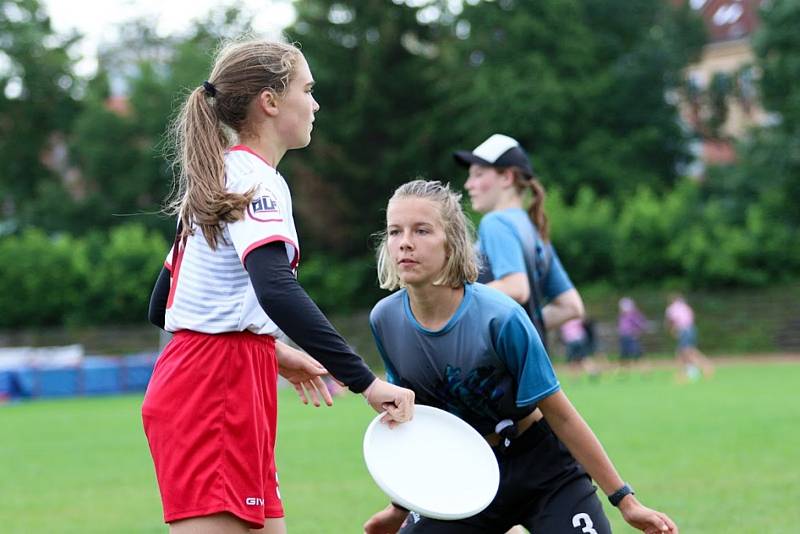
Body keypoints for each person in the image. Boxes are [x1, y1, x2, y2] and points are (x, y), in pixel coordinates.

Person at [141, 39, 414, 534]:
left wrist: (270, 351)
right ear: (270, 101)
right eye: (307, 90)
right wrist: (365, 382)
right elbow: (277, 291)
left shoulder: (220, 177)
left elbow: (164, 305)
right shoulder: (255, 182)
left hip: (225, 378)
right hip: (213, 389)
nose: (315, 103)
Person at [363, 180, 678, 534]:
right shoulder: (385, 320)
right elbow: (417, 423)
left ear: (452, 242)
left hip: (542, 467)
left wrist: (625, 500)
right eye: (394, 231)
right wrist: (400, 508)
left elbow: (561, 415)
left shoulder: (501, 316)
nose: (405, 242)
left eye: (422, 230)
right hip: (462, 471)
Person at [454, 133, 584, 346]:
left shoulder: (496, 222)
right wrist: (520, 333)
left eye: (478, 174)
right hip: (527, 369)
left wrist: (453, 298)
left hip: (498, 374)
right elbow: (571, 307)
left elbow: (516, 287)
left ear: (507, 177)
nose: (468, 184)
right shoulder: (535, 230)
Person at [664, 293, 714, 381]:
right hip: (691, 329)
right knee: (687, 351)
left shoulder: (672, 308)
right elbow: (691, 318)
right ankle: (692, 371)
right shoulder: (686, 306)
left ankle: (704, 367)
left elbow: (671, 321)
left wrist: (673, 330)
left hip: (683, 330)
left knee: (685, 351)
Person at [618, 297, 648, 370]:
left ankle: (642, 368)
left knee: (636, 353)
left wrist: (637, 332)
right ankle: (624, 370)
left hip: (631, 336)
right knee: (624, 354)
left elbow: (641, 324)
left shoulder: (633, 315)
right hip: (623, 336)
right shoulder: (622, 316)